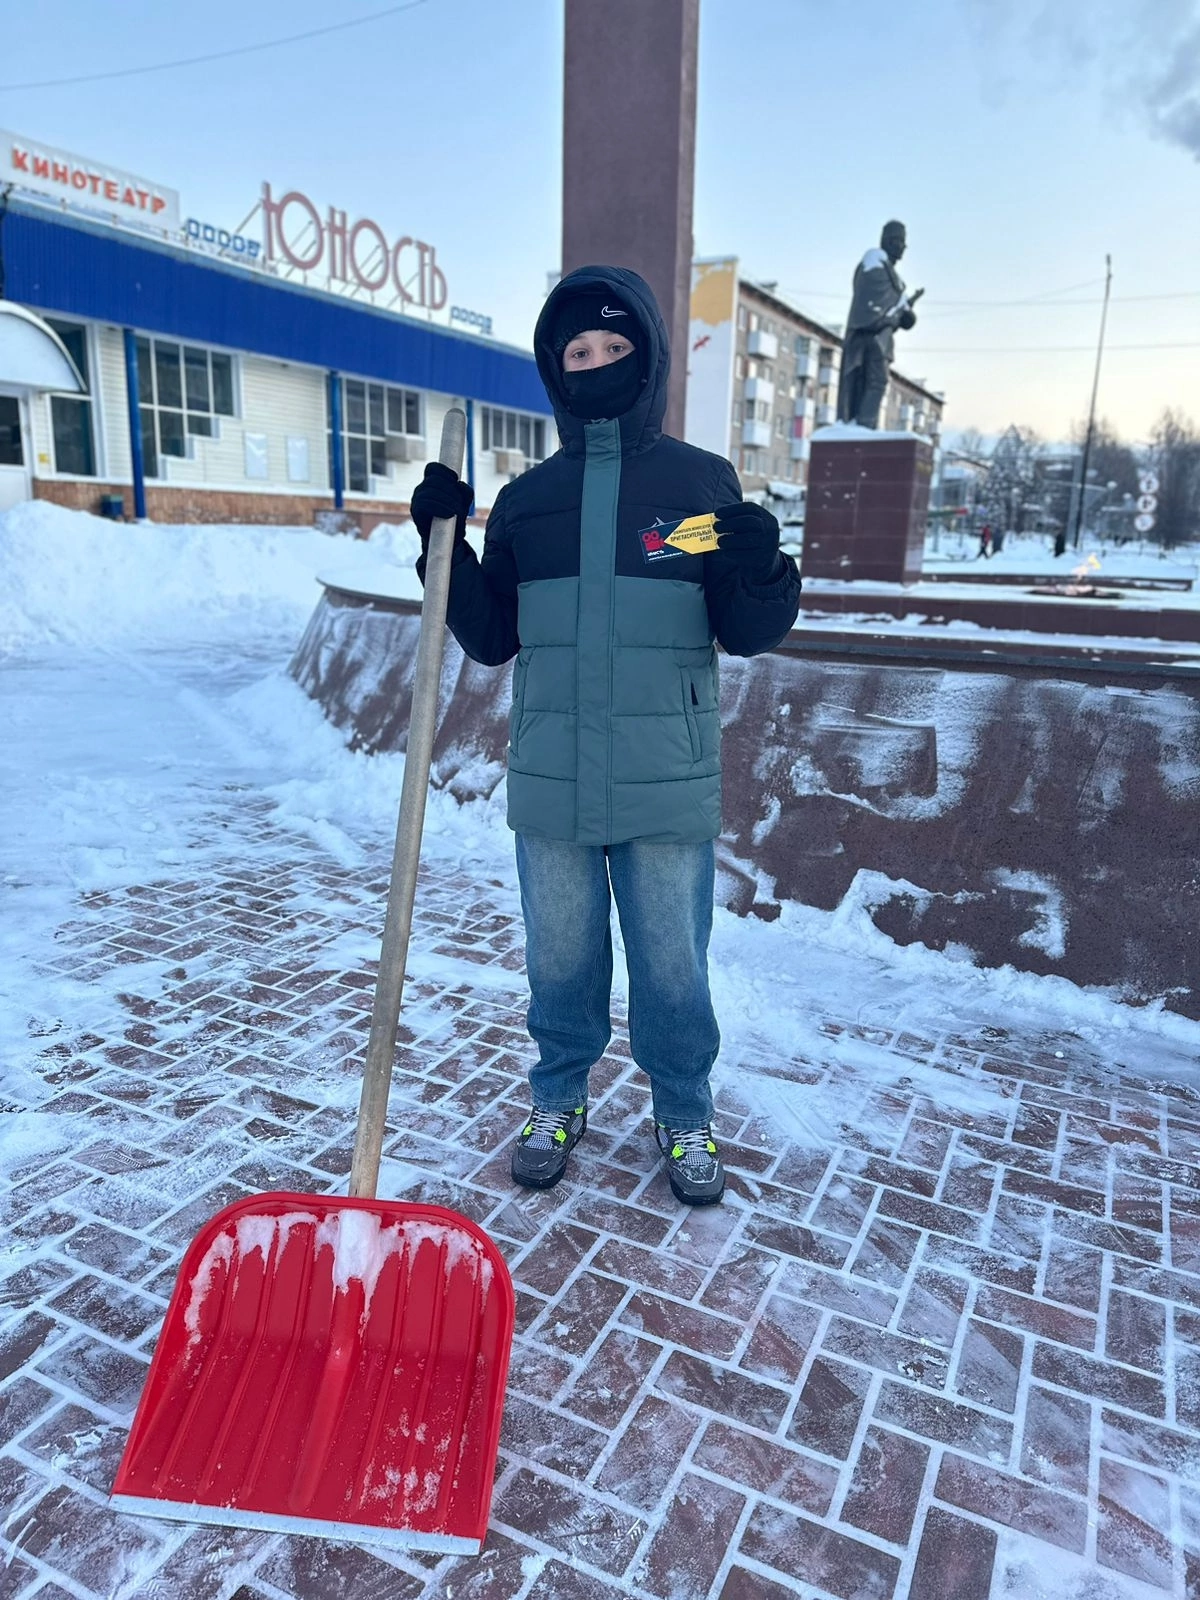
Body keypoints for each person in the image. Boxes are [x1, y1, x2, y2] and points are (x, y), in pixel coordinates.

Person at [410, 265, 801, 1206]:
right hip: (552, 778)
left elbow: (745, 629)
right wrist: (444, 550)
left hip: (664, 776)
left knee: (672, 962)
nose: (594, 364)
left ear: (647, 357)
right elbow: (494, 635)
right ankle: (558, 1097)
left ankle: (683, 1106)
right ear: (554, 369)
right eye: (575, 352)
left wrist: (760, 569)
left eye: (613, 348)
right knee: (561, 960)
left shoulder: (697, 483)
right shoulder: (530, 501)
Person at [835, 221, 923, 430]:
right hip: (868, 339)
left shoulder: (892, 276)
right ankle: (862, 428)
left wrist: (905, 315)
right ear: (888, 241)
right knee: (872, 382)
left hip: (882, 340)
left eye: (904, 242)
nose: (903, 247)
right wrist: (894, 316)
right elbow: (870, 309)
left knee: (876, 383)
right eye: (900, 241)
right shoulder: (873, 267)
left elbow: (893, 310)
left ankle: (865, 428)